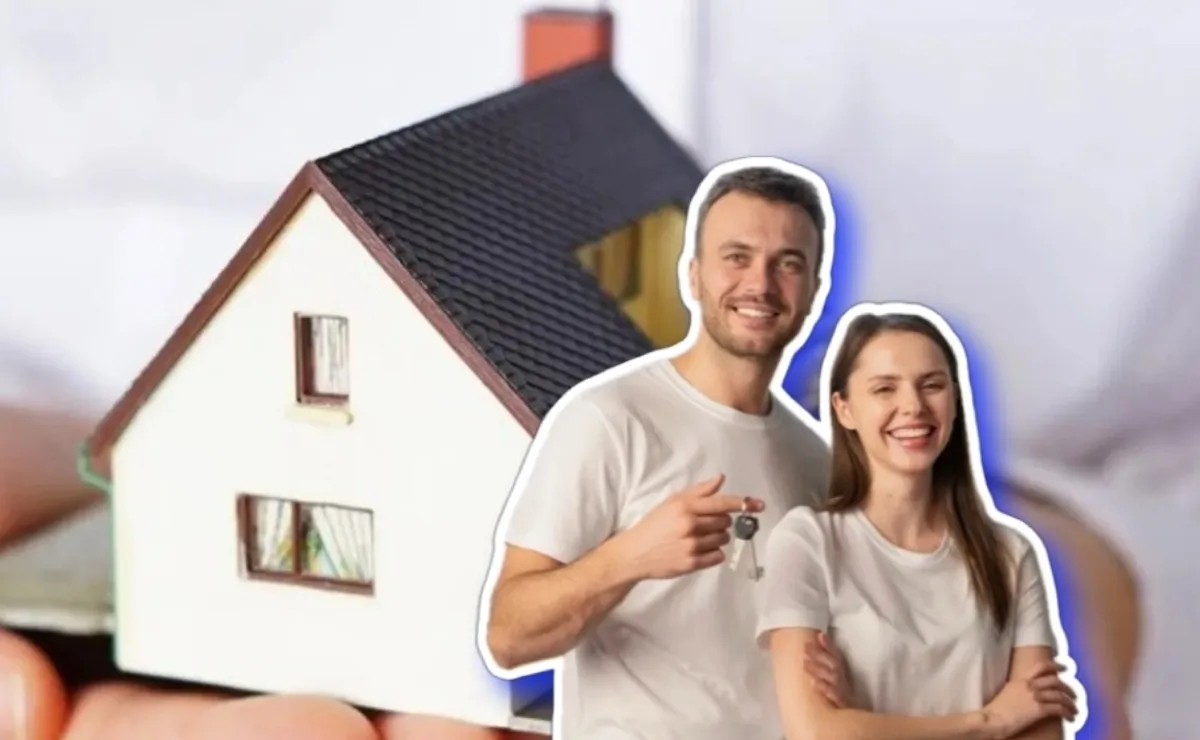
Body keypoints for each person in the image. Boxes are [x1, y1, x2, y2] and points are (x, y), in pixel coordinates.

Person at [479, 159, 841, 740]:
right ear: (693, 276)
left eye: (788, 263)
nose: (761, 284)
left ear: (814, 293)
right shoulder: (608, 418)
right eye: (737, 257)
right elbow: (508, 636)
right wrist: (631, 556)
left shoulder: (818, 463)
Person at [760, 305, 1084, 740]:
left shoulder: (1010, 553)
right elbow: (816, 732)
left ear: (954, 402)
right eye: (884, 389)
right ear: (844, 409)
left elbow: (1041, 729)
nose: (912, 406)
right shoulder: (808, 543)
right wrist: (990, 721)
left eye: (932, 385)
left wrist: (865, 719)